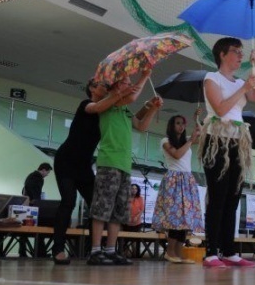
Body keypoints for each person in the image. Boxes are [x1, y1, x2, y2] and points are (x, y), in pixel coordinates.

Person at [50, 78, 130, 265]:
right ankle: (58, 249)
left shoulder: (108, 110)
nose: (107, 88)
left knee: (97, 207)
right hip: (66, 162)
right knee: (68, 202)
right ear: (92, 89)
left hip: (84, 166)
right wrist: (117, 93)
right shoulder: (86, 104)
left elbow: (121, 106)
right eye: (103, 86)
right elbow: (95, 108)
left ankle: (94, 250)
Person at [199, 37, 255, 268]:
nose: (240, 55)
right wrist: (244, 88)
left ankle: (229, 250)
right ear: (223, 54)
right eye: (236, 51)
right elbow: (221, 108)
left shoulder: (238, 82)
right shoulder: (211, 79)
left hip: (237, 142)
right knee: (218, 196)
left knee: (233, 197)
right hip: (217, 141)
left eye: (242, 52)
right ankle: (211, 252)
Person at [87, 73, 162, 265]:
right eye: (126, 84)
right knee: (102, 207)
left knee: (119, 210)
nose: (131, 87)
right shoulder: (108, 104)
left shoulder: (125, 110)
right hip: (109, 162)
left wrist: (152, 108)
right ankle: (95, 250)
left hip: (124, 165)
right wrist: (145, 76)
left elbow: (141, 126)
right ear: (116, 87)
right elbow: (132, 96)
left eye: (130, 84)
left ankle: (111, 250)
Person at [153, 114, 204, 264]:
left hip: (187, 180)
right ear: (171, 125)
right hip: (174, 181)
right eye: (177, 123)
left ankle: (179, 253)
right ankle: (170, 252)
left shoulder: (186, 140)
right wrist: (190, 139)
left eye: (183, 123)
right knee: (175, 218)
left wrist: (197, 120)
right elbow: (176, 154)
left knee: (185, 219)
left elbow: (203, 137)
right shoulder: (166, 141)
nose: (181, 126)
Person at [19, 162, 52, 257]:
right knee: (40, 228)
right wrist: (36, 201)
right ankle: (40, 253)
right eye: (48, 172)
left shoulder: (31, 176)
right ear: (44, 170)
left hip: (27, 205)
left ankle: (23, 252)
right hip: (32, 206)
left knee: (24, 230)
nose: (47, 175)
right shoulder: (38, 177)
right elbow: (34, 191)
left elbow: (26, 188)